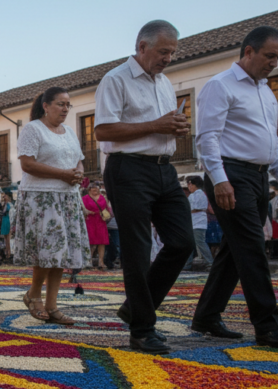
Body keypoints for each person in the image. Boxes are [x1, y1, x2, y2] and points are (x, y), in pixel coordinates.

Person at [193, 25, 278, 347]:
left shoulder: (266, 91)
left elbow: (272, 141)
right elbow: (207, 138)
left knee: (233, 250)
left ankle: (207, 316)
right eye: (269, 55)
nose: (273, 62)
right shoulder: (220, 85)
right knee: (252, 247)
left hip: (258, 175)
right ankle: (267, 326)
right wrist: (220, 179)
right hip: (231, 173)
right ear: (248, 51)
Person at [95, 20, 195, 354]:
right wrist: (157, 125)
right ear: (142, 47)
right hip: (128, 169)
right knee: (137, 250)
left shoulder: (165, 82)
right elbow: (104, 131)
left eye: (172, 52)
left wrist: (174, 127)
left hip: (165, 170)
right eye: (164, 51)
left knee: (182, 243)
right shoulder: (115, 79)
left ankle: (135, 307)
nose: (169, 58)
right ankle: (141, 329)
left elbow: (160, 126)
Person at [10, 86, 90, 324]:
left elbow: (78, 161)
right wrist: (63, 175)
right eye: (60, 104)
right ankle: (34, 294)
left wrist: (77, 174)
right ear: (46, 106)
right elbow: (27, 164)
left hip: (67, 197)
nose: (65, 109)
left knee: (61, 254)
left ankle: (52, 306)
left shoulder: (69, 132)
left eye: (68, 104)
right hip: (42, 198)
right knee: (47, 251)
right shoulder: (33, 129)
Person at [183, 176, 214, 270]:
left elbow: (194, 208)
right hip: (194, 222)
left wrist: (186, 211)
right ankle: (187, 264)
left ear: (192, 184)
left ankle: (210, 262)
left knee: (200, 242)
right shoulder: (196, 194)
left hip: (198, 222)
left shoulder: (198, 194)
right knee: (191, 243)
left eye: (189, 184)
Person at [82, 183, 112, 270]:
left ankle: (101, 262)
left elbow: (107, 207)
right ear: (89, 189)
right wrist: (86, 211)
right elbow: (81, 208)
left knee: (102, 242)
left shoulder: (102, 197)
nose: (96, 191)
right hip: (90, 221)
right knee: (92, 242)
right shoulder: (85, 198)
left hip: (100, 220)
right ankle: (88, 261)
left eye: (97, 189)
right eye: (94, 189)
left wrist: (107, 213)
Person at [0, 192, 13, 261]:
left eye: (5, 196)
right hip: (4, 220)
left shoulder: (10, 204)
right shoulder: (3, 204)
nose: (4, 197)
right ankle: (6, 253)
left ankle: (9, 253)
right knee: (5, 239)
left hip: (8, 220)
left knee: (8, 239)